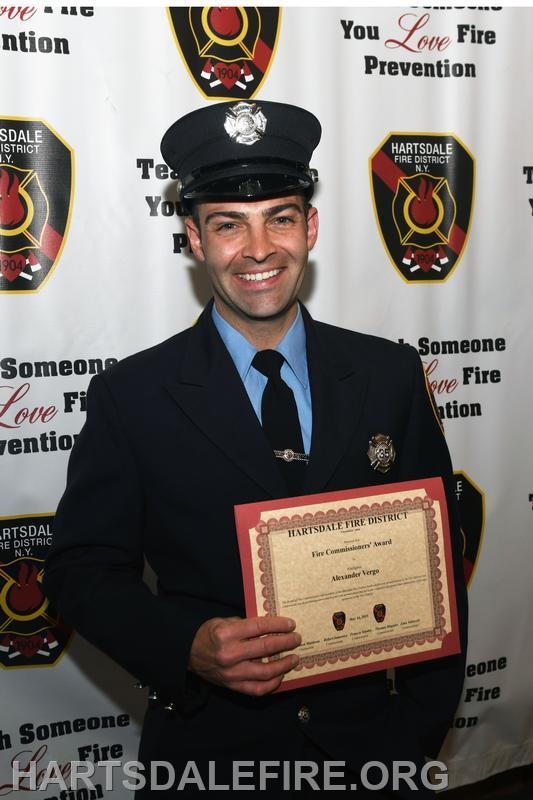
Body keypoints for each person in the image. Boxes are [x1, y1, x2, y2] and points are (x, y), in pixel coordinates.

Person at [44, 100, 468, 798]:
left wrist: (415, 732)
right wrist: (184, 646)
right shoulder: (133, 394)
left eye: (280, 216)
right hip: (211, 754)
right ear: (193, 238)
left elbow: (438, 556)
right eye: (228, 226)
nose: (259, 248)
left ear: (311, 226)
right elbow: (80, 571)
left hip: (370, 751)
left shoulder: (388, 375)